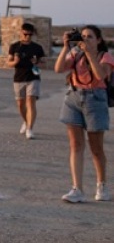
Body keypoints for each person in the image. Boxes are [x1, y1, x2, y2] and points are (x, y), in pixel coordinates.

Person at [53, 25, 114, 203]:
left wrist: (88, 53)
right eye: (83, 36)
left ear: (99, 40)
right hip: (73, 97)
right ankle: (76, 188)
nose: (85, 40)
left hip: (95, 99)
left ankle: (101, 185)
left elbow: (100, 75)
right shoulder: (75, 54)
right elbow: (58, 69)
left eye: (90, 37)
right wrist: (65, 47)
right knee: (75, 145)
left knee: (96, 148)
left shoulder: (105, 56)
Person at [6, 22, 45, 140]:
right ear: (21, 33)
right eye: (25, 34)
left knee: (30, 101)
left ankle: (30, 128)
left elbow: (43, 63)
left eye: (30, 35)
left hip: (33, 77)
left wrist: (37, 63)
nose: (27, 37)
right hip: (19, 78)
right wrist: (15, 62)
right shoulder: (14, 47)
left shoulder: (37, 48)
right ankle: (25, 121)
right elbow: (8, 63)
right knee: (20, 104)